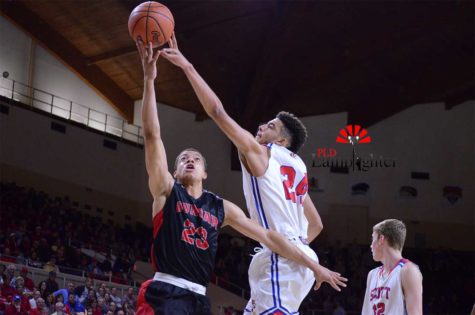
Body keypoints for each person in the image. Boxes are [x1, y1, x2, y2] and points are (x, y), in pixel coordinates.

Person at [135, 39, 346, 315]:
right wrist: (307, 258)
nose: (260, 126)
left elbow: (217, 112)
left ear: (281, 140)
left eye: (196, 158)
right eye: (184, 158)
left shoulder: (251, 170)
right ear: (174, 171)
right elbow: (315, 225)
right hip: (175, 291)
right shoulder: (298, 168)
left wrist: (187, 66)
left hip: (279, 260)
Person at [361, 219, 423, 314]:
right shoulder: (372, 275)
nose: (370, 245)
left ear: (381, 239)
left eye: (372, 239)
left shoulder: (408, 271)